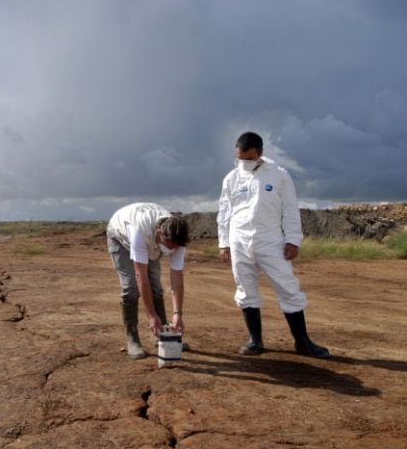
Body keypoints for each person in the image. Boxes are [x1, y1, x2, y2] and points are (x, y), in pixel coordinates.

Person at [217, 131, 330, 358]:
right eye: (240, 159)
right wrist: (224, 243)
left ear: (259, 153)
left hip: (270, 240)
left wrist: (292, 240)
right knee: (245, 288)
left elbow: (289, 209)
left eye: (248, 158)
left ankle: (302, 342)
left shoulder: (279, 175)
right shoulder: (231, 178)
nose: (244, 163)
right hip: (239, 241)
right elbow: (224, 212)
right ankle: (255, 341)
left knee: (288, 287)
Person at [106, 203, 190, 359]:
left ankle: (163, 335)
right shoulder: (140, 232)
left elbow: (177, 276)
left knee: (156, 287)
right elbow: (141, 276)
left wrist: (177, 314)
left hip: (149, 241)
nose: (170, 251)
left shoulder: (178, 239)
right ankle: (133, 339)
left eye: (174, 248)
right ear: (159, 233)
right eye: (167, 246)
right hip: (119, 236)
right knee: (130, 288)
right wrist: (151, 315)